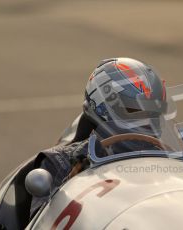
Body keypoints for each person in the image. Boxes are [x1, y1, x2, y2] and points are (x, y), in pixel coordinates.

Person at [30, 57, 167, 216]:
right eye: (134, 111)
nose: (146, 121)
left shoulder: (169, 162)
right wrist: (69, 182)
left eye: (153, 113)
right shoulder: (61, 163)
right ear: (102, 103)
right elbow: (43, 221)